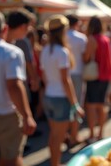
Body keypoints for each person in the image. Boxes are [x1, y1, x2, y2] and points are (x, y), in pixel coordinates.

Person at [0, 8, 36, 166]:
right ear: (4, 29)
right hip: (6, 115)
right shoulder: (11, 52)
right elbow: (14, 86)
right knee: (11, 158)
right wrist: (27, 115)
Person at [40, 15, 85, 166]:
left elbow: (45, 77)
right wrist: (75, 104)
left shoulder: (45, 50)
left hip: (49, 96)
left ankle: (55, 162)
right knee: (57, 138)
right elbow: (66, 81)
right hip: (60, 98)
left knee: (54, 136)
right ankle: (55, 163)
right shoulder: (62, 52)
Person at [83, 16, 111, 143]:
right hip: (106, 76)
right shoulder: (106, 39)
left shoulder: (91, 39)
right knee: (102, 105)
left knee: (91, 106)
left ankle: (91, 134)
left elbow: (86, 58)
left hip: (94, 76)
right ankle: (101, 133)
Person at [66, 14, 87, 146]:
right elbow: (85, 58)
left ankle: (67, 135)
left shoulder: (61, 37)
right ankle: (74, 136)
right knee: (76, 105)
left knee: (66, 106)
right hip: (77, 73)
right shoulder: (81, 38)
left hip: (62, 75)